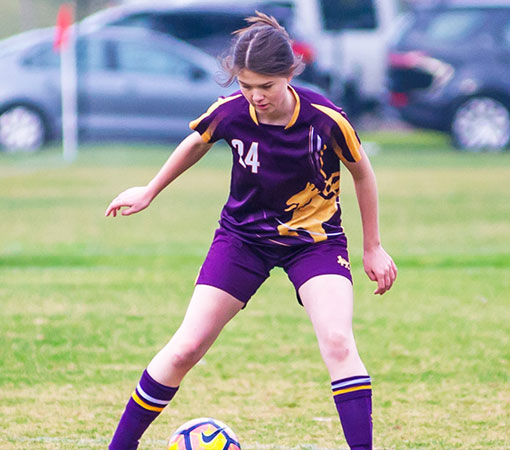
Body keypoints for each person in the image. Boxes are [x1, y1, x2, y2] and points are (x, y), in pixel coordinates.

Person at [105, 12, 397, 450]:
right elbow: (196, 142)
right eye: (245, 86)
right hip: (242, 240)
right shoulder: (232, 113)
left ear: (288, 74)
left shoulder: (325, 118)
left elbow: (362, 173)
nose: (255, 96)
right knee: (186, 347)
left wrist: (372, 247)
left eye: (266, 86)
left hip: (314, 243)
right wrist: (150, 190)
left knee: (338, 341)